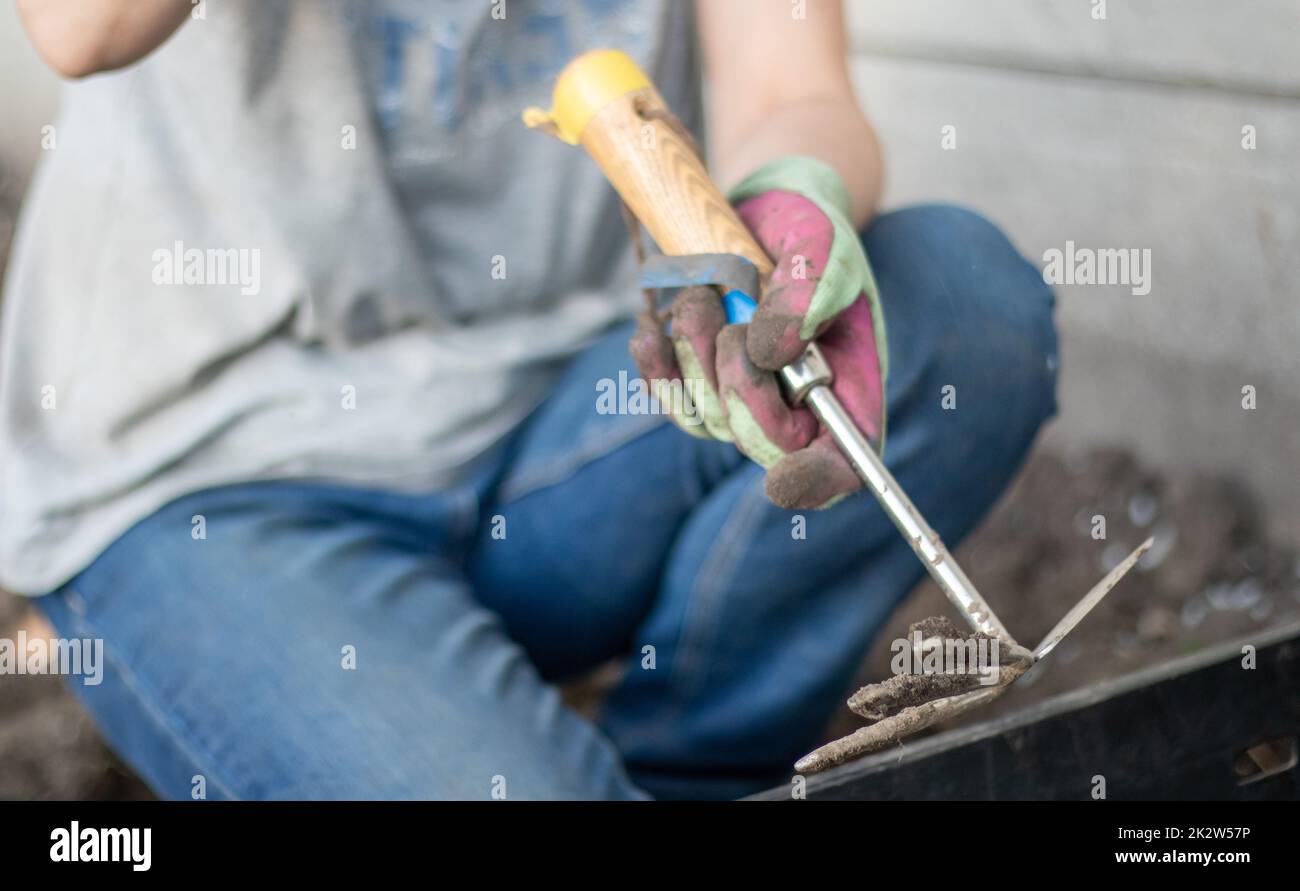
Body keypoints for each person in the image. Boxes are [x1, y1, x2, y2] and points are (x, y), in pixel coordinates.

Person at [5, 0, 1057, 800]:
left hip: (562, 432)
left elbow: (793, 88)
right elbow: (81, 29)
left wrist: (778, 210)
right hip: (215, 482)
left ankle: (703, 766)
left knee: (957, 307)